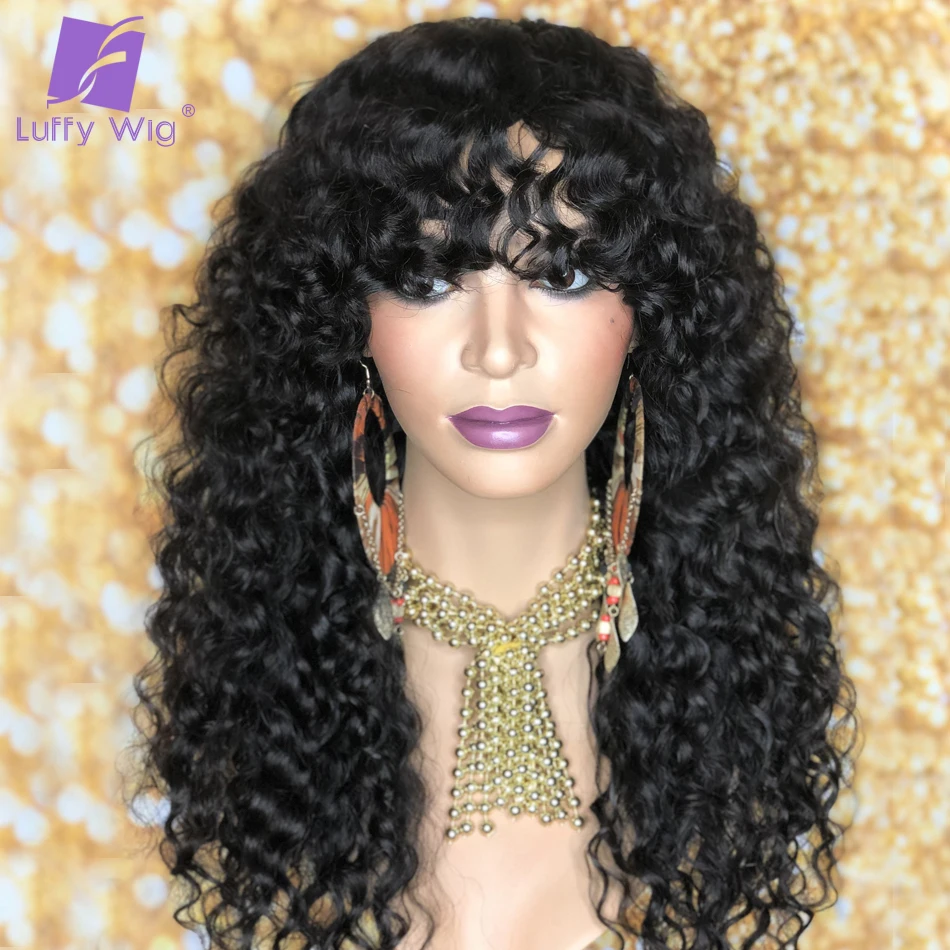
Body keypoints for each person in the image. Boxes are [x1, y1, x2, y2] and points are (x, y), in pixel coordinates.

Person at [124, 16, 859, 950]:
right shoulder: (269, 718)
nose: (499, 350)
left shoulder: (725, 717)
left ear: (651, 313)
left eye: (565, 273)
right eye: (428, 281)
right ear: (343, 321)